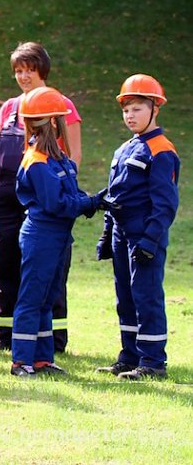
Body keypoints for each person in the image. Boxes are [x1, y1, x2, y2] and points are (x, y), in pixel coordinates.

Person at [0, 42, 82, 353]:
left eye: (29, 70)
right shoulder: (9, 107)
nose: (24, 76)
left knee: (47, 265)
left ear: (43, 70)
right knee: (5, 262)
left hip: (44, 195)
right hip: (7, 195)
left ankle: (52, 337)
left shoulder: (60, 103)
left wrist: (63, 190)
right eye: (18, 71)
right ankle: (5, 333)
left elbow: (73, 151)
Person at [9, 87, 107, 377]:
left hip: (58, 237)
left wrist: (92, 200)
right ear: (53, 121)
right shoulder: (37, 161)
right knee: (32, 298)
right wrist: (91, 202)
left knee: (47, 297)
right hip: (42, 236)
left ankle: (41, 359)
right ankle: (21, 362)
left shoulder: (57, 158)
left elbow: (70, 193)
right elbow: (56, 203)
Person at [95, 74, 179, 380]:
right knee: (125, 298)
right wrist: (106, 234)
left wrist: (150, 240)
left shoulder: (161, 150)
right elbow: (114, 194)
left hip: (143, 234)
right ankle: (129, 356)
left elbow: (166, 203)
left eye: (137, 109)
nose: (130, 115)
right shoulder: (125, 149)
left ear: (155, 109)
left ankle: (153, 362)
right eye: (126, 109)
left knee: (147, 296)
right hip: (120, 233)